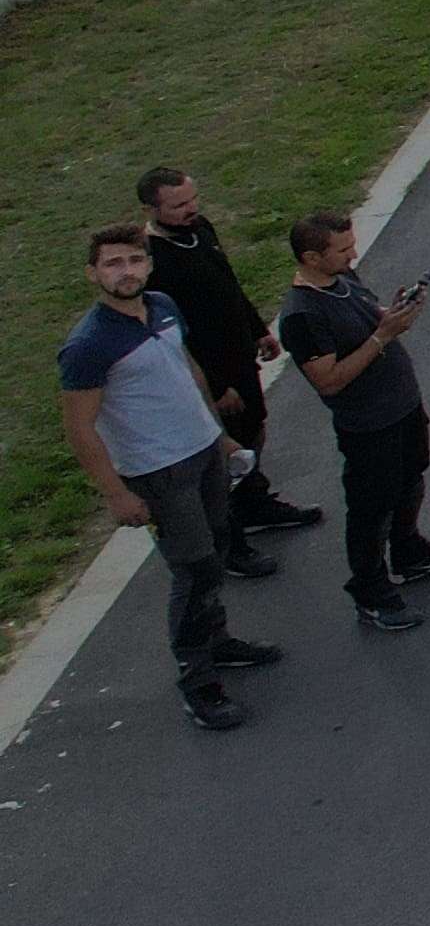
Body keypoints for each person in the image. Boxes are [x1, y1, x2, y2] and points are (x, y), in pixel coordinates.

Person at [58, 221, 284, 730]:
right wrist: (116, 494)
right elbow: (79, 428)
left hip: (203, 452)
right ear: (93, 273)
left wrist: (220, 435)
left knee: (219, 546)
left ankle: (218, 641)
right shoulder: (88, 346)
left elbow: (186, 371)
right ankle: (198, 681)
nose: (126, 271)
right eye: (113, 263)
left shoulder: (162, 306)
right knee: (196, 569)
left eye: (134, 260)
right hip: (158, 472)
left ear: (149, 265)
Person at [279, 214, 430, 631]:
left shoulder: (344, 278)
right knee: (371, 510)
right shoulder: (302, 315)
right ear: (311, 257)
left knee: (411, 479)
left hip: (402, 406)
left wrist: (393, 313)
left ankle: (409, 551)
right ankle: (370, 591)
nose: (353, 254)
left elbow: (369, 318)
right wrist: (383, 335)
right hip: (368, 426)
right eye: (343, 249)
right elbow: (328, 381)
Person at [138, 164, 319, 544]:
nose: (190, 209)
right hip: (211, 372)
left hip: (239, 356)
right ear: (151, 210)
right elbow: (175, 337)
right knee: (224, 454)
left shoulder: (200, 229)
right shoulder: (153, 262)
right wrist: (216, 388)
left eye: (192, 199)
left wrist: (256, 329)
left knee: (253, 428)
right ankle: (228, 537)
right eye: (177, 206)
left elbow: (228, 285)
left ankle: (255, 502)